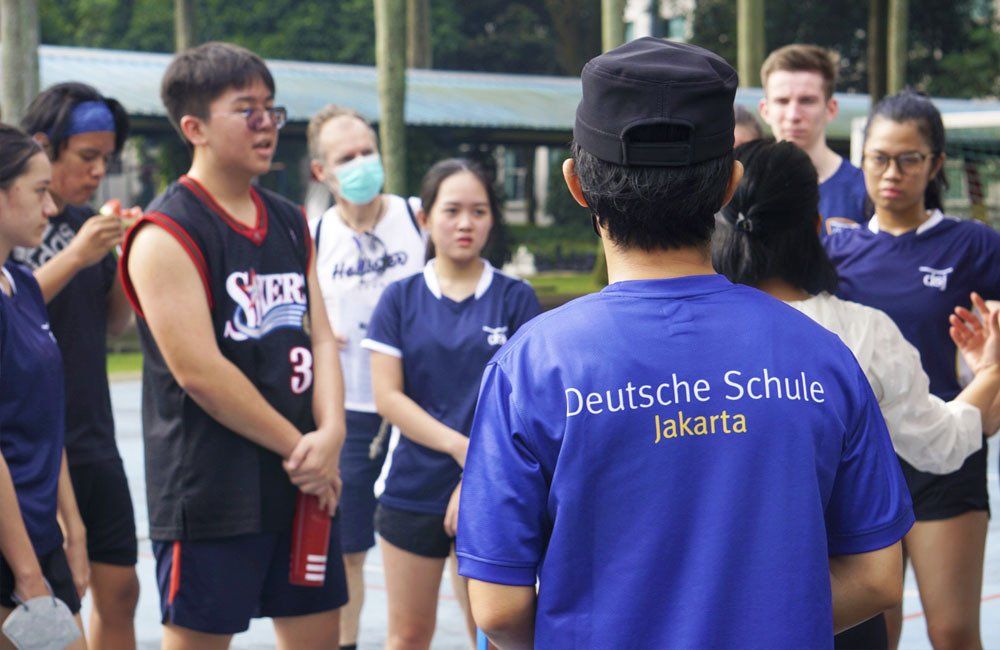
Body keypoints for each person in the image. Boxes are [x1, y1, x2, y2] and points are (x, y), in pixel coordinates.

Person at [456, 37, 913, 649]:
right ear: (729, 184)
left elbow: (498, 607)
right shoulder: (821, 356)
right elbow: (878, 578)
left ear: (577, 185)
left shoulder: (531, 368)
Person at [713, 138, 1000, 649]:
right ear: (819, 226)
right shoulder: (861, 333)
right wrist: (989, 375)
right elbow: (938, 443)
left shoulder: (685, 334)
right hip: (832, 599)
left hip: (710, 596)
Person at [119, 42, 348, 648]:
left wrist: (332, 435)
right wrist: (306, 452)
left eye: (271, 109)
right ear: (193, 127)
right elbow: (200, 373)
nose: (266, 124)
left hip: (303, 482)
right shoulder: (165, 232)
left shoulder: (292, 219)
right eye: (246, 109)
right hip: (212, 492)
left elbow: (321, 336)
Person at [824, 90, 1000, 650]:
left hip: (946, 458)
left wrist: (987, 386)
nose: (891, 172)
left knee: (951, 631)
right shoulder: (834, 250)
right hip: (864, 464)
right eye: (879, 157)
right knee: (876, 634)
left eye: (909, 159)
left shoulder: (974, 245)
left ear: (936, 164)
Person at [362, 158, 540, 649]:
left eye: (479, 211)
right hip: (411, 489)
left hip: (494, 493)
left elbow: (520, 406)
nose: (465, 223)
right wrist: (464, 451)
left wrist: (477, 476)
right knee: (408, 635)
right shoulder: (398, 299)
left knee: (491, 635)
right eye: (452, 210)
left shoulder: (516, 300)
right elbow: (388, 397)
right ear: (425, 219)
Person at [16, 82, 140, 649]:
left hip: (93, 433)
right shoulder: (17, 234)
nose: (97, 172)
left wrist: (130, 258)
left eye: (106, 161)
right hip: (33, 447)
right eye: (86, 157)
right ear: (45, 145)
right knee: (54, 604)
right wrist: (76, 255)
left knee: (120, 588)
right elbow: (12, 309)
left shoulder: (90, 223)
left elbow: (115, 323)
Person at [307, 104, 426, 650]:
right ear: (321, 173)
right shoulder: (312, 236)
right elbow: (299, 318)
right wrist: (315, 330)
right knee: (348, 551)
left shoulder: (420, 216)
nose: (361, 164)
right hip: (353, 412)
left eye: (367, 152)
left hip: (423, 408)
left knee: (441, 541)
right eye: (346, 158)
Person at [0, 124, 87, 648]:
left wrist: (71, 527)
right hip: (12, 549)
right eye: (38, 191)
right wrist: (28, 574)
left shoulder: (24, 284)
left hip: (40, 535)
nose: (51, 208)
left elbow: (43, 418)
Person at [758, 44, 868, 235]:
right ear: (765, 110)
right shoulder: (742, 188)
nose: (793, 115)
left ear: (831, 109)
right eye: (782, 101)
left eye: (807, 101)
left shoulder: (865, 191)